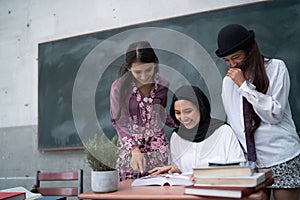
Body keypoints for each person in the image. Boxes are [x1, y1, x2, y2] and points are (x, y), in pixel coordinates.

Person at [215, 24, 300, 200]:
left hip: (281, 155)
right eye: (227, 60)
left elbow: (274, 114)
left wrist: (244, 86)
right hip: (251, 163)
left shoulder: (276, 68)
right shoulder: (228, 82)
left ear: (249, 50)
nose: (232, 64)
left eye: (236, 57)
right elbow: (235, 123)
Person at [110, 41, 176, 180]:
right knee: (131, 191)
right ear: (129, 69)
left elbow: (160, 112)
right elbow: (118, 121)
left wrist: (180, 125)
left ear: (155, 64)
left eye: (148, 70)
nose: (144, 76)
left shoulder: (163, 85)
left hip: (157, 148)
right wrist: (134, 149)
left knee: (158, 191)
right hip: (130, 150)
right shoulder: (119, 87)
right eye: (138, 72)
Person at [149, 85, 245, 175]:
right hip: (185, 192)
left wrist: (205, 176)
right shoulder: (177, 137)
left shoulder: (223, 131)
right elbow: (182, 173)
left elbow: (238, 170)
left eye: (188, 111)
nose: (183, 118)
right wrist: (176, 170)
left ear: (201, 108)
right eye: (178, 113)